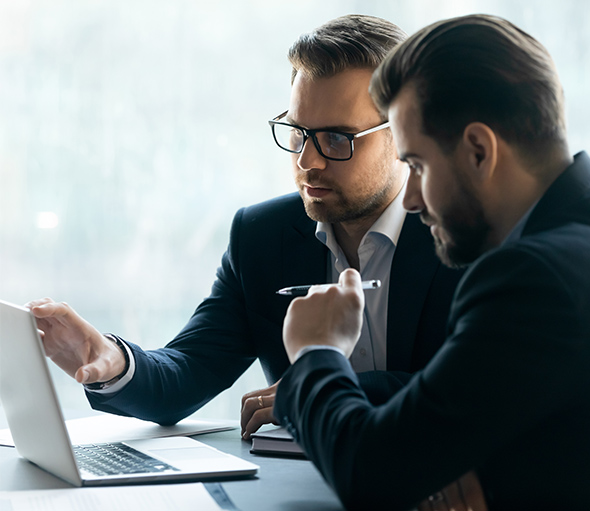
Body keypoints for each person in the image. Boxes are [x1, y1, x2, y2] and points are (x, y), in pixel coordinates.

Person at [273, 14, 590, 511]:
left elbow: (371, 474)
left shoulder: (539, 276)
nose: (415, 198)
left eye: (419, 166)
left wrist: (317, 352)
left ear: (479, 151)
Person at [27, 14, 463, 440]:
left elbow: (480, 389)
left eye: (337, 139)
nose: (307, 162)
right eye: (297, 133)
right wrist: (109, 361)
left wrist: (317, 389)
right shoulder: (262, 236)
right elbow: (188, 372)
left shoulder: (467, 232)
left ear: (403, 133)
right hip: (299, 488)